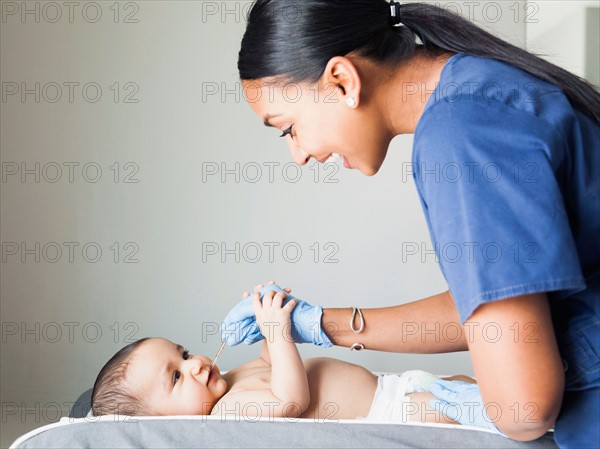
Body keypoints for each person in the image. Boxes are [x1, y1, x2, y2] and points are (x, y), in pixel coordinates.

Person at [225, 1, 600, 448]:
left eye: (288, 128)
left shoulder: (461, 134)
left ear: (342, 80)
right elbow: (510, 301)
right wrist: (320, 324)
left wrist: (484, 403)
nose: (299, 154)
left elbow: (524, 409)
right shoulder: (479, 89)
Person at [91, 288, 477, 424]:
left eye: (184, 353)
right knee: (463, 409)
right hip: (389, 412)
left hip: (394, 386)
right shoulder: (229, 411)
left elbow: (273, 363)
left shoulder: (232, 378)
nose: (194, 364)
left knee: (467, 387)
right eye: (176, 377)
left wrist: (268, 316)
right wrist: (277, 333)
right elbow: (290, 400)